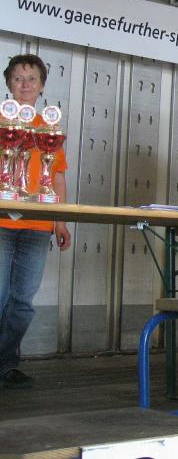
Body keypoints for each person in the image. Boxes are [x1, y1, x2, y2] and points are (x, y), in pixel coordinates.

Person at [0, 54, 71, 389]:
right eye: (18, 78)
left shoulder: (48, 127)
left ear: (42, 86)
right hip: (1, 223)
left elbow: (56, 178)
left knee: (23, 302)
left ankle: (6, 364)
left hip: (38, 226)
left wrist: (61, 221)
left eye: (32, 79)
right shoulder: (1, 121)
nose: (25, 84)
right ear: (8, 84)